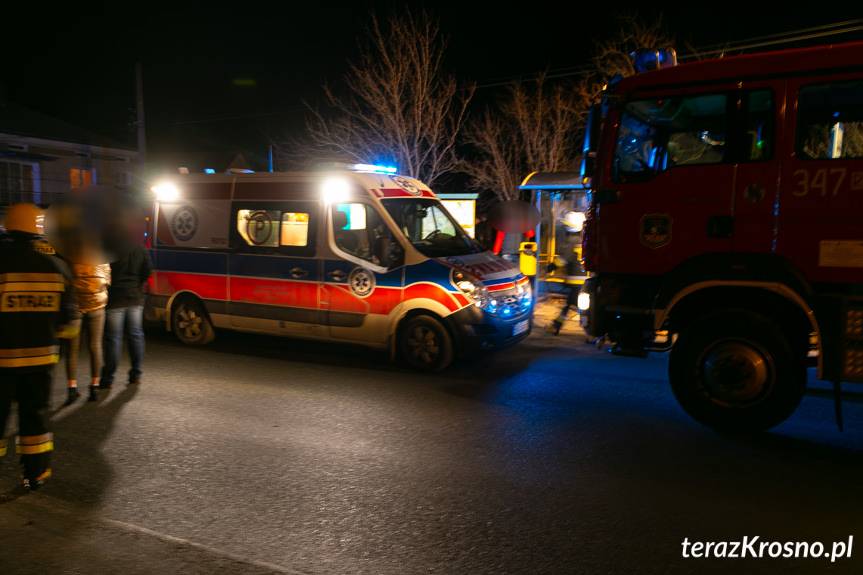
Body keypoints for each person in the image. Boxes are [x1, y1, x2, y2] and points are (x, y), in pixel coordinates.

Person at [0, 203, 78, 489]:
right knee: (35, 419)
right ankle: (36, 473)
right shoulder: (58, 262)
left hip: (2, 360)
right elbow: (70, 323)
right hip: (41, 360)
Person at [100, 242, 151, 388]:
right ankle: (135, 375)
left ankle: (108, 378)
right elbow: (148, 270)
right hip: (135, 297)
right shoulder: (140, 247)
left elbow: (103, 271)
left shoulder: (111, 248)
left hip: (116, 298)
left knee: (113, 339)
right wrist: (137, 284)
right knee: (136, 336)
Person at [64, 249, 110, 404]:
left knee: (72, 349)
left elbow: (67, 278)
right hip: (97, 306)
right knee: (95, 346)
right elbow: (107, 280)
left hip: (75, 305)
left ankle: (72, 388)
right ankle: (94, 387)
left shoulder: (71, 254)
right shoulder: (102, 256)